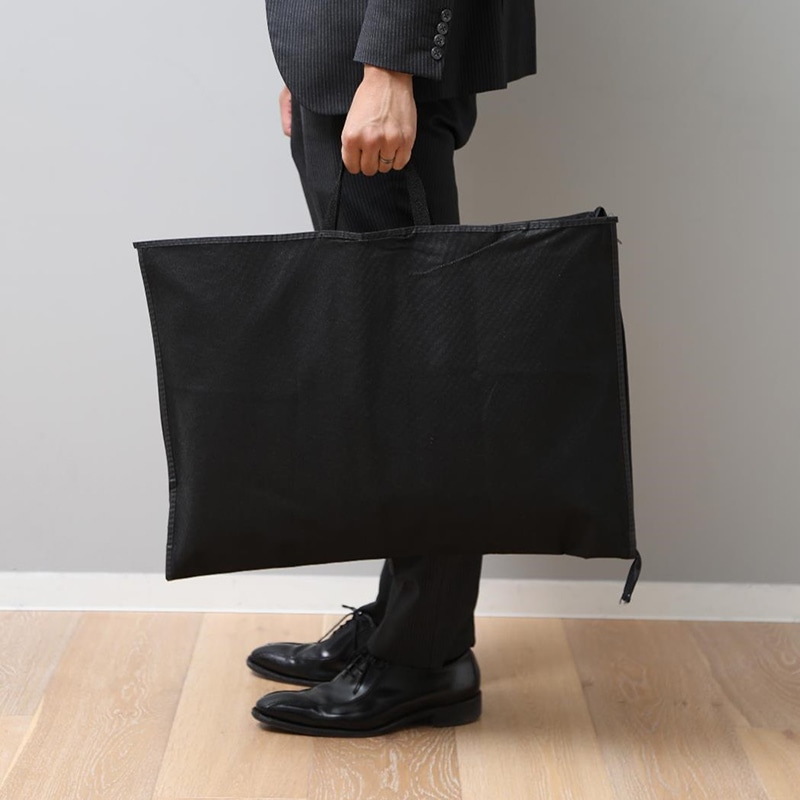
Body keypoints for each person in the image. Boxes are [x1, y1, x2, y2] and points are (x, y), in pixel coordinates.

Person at [248, 0, 537, 737]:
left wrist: (389, 67)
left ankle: (424, 656)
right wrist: (314, 61)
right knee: (390, 368)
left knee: (416, 372)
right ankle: (402, 621)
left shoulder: (388, 67)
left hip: (381, 55)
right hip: (349, 55)